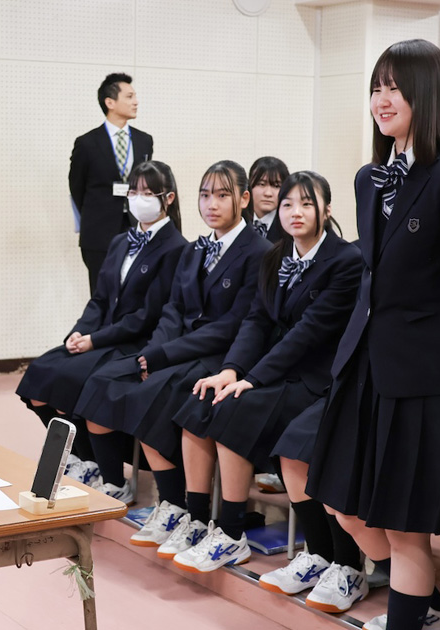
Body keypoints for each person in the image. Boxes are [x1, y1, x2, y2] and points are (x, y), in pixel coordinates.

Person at [304, 39, 440, 630]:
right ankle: (428, 609)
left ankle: (416, 617)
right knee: (344, 503)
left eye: (395, 87)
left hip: (426, 378)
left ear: (428, 92)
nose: (382, 99)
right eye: (376, 87)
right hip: (366, 369)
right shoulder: (369, 178)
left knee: (406, 529)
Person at [159, 172, 366, 591]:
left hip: (320, 379)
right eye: (287, 204)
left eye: (306, 203)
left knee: (236, 410)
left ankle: (237, 533)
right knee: (202, 402)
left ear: (327, 210)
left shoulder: (345, 260)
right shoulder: (276, 256)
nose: (295, 212)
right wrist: (231, 370)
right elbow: (256, 320)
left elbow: (308, 332)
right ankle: (208, 525)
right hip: (280, 371)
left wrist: (253, 379)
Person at [75, 160, 269, 507]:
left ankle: (174, 504)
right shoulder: (195, 249)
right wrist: (152, 353)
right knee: (102, 380)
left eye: (222, 195)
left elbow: (233, 325)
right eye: (205, 195)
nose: (211, 204)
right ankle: (114, 480)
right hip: (178, 350)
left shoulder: (259, 252)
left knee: (150, 398)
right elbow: (173, 310)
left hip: (219, 356)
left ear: (243, 199)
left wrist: (163, 355)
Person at [17, 160, 187, 486]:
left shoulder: (176, 248)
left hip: (134, 341)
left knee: (76, 379)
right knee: (41, 374)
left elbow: (148, 315)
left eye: (148, 193)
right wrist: (79, 332)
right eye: (133, 191)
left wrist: (95, 340)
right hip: (101, 336)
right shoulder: (121, 241)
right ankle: (83, 457)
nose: (138, 199)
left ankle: (107, 474)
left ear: (168, 198)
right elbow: (99, 299)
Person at [70, 72, 154, 294]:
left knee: (135, 294)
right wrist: (94, 215)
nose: (136, 102)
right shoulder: (87, 143)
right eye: (129, 96)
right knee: (102, 295)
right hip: (99, 232)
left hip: (136, 228)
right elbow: (76, 188)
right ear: (110, 102)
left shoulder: (144, 141)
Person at [243, 156, 295, 248]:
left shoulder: (291, 226)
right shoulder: (237, 220)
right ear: (249, 185)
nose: (268, 193)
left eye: (276, 186)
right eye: (261, 184)